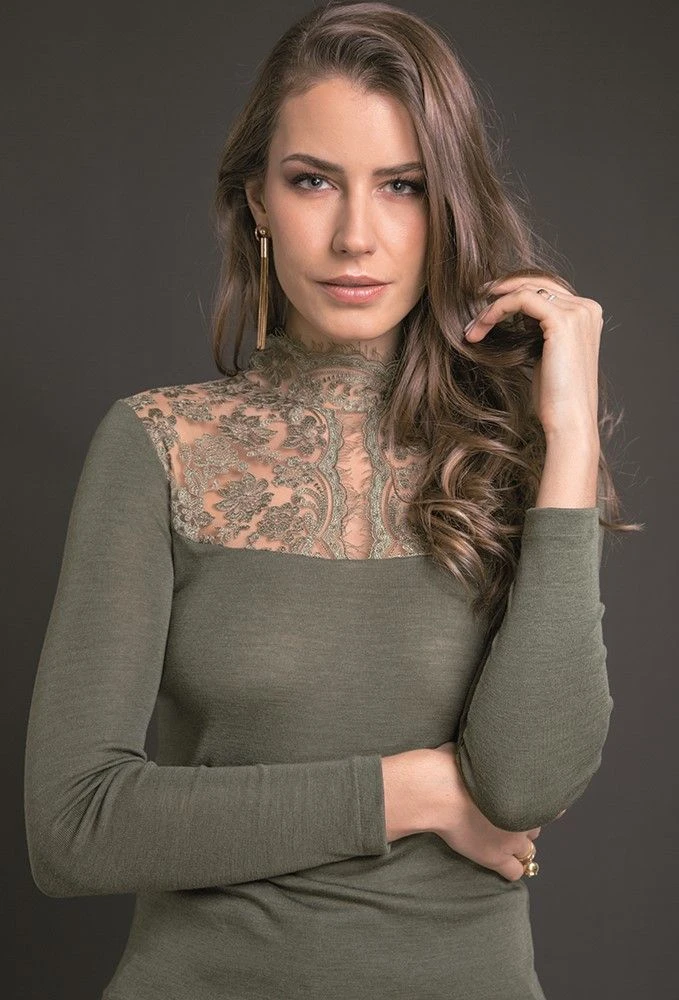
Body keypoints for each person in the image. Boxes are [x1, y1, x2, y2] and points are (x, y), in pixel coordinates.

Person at [24, 2, 637, 998]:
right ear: (257, 202)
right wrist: (412, 790)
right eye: (314, 181)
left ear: (448, 207)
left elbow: (527, 782)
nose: (357, 235)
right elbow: (74, 828)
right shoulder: (160, 445)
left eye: (403, 186)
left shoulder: (512, 456)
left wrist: (567, 439)